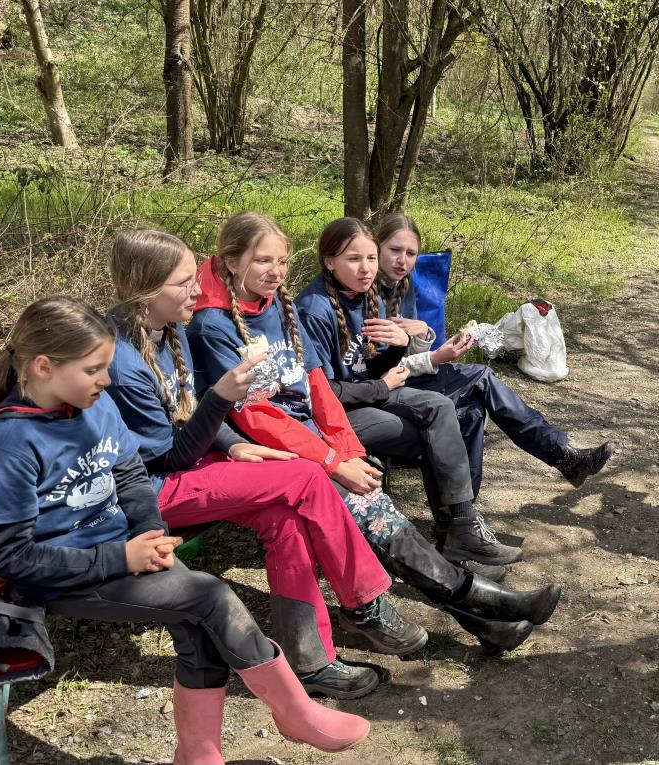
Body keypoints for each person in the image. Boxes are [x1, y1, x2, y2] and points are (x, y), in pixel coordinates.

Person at [0, 296, 369, 764]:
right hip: (64, 574)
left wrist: (150, 532)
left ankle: (197, 757)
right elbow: (13, 558)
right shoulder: (7, 445)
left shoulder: (94, 405)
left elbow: (130, 474)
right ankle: (296, 712)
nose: (107, 380)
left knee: (199, 634)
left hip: (126, 549)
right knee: (211, 597)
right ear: (44, 367)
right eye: (93, 369)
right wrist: (122, 557)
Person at [186, 211, 563, 655]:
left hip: (314, 441)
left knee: (382, 515)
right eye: (263, 261)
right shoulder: (213, 326)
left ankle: (485, 620)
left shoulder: (276, 306)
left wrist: (346, 449)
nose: (276, 272)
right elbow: (257, 419)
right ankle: (485, 606)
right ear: (232, 262)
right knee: (376, 518)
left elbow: (318, 389)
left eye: (282, 261)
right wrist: (333, 462)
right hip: (273, 454)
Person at [104, 228, 425, 694]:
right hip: (150, 489)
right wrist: (222, 401)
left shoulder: (167, 325)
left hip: (190, 463)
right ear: (147, 289)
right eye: (185, 282)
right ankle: (364, 601)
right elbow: (170, 454)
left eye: (196, 277)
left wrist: (233, 443)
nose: (199, 288)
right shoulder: (122, 360)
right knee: (305, 476)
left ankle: (309, 660)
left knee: (284, 517)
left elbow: (188, 412)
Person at [296, 218, 520, 578]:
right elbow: (322, 393)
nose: (366, 268)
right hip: (332, 415)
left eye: (371, 258)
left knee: (441, 407)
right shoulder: (314, 309)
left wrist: (399, 347)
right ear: (329, 261)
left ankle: (461, 527)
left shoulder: (367, 294)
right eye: (354, 259)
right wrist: (382, 386)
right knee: (432, 434)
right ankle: (453, 541)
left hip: (367, 395)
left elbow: (369, 366)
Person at [370, 212, 616, 499]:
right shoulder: (367, 291)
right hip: (384, 388)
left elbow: (405, 351)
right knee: (481, 377)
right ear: (377, 247)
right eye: (395, 250)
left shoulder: (403, 285)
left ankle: (462, 512)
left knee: (473, 408)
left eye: (410, 253)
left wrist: (424, 335)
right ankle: (560, 457)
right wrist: (434, 358)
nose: (402, 260)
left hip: (406, 378)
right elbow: (379, 368)